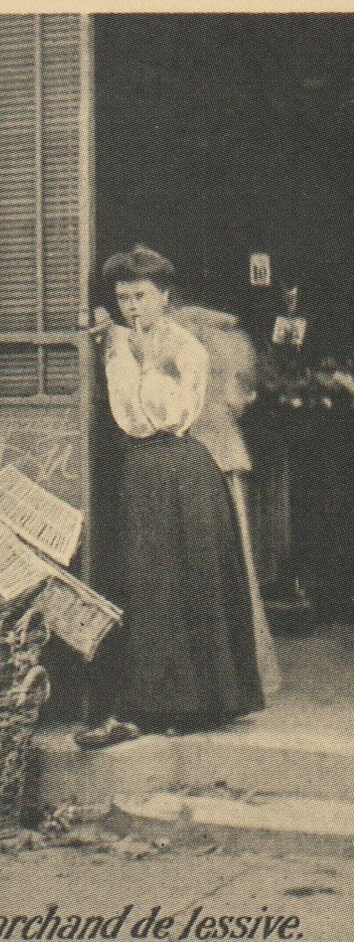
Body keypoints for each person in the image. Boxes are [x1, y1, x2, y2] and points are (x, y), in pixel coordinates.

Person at [77, 246, 265, 747]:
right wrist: (115, 341)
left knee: (181, 582)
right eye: (122, 298)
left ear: (164, 295)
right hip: (138, 469)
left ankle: (193, 701)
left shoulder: (186, 347)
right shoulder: (120, 339)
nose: (131, 307)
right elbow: (120, 409)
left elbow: (166, 410)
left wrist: (140, 356)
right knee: (142, 581)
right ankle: (141, 702)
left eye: (140, 296)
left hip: (179, 467)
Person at [172, 303, 284, 697]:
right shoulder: (232, 341)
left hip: (194, 451)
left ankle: (212, 678)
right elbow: (243, 399)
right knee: (234, 565)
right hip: (221, 447)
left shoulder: (171, 336)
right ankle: (239, 672)